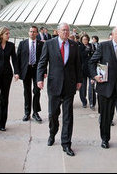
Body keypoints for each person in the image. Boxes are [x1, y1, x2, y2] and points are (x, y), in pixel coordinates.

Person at [37, 22, 82, 157]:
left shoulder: (74, 45)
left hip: (69, 85)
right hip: (54, 85)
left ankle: (66, 143)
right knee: (53, 115)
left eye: (67, 31)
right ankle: (52, 133)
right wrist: (39, 78)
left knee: (68, 116)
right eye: (63, 30)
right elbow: (42, 62)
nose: (66, 33)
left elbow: (78, 64)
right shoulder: (49, 44)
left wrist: (79, 80)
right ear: (58, 31)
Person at [89, 26, 117, 157]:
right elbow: (92, 62)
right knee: (105, 117)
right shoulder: (103, 46)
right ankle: (105, 139)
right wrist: (94, 76)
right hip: (105, 88)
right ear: (113, 35)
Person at [17, 26, 45, 122]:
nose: (32, 33)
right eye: (30, 31)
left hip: (37, 71)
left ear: (37, 33)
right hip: (26, 70)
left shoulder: (41, 44)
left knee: (37, 91)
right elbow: (18, 59)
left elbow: (44, 59)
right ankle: (27, 112)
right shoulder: (22, 44)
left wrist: (44, 72)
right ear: (28, 32)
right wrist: (17, 72)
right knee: (27, 92)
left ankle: (35, 113)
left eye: (34, 32)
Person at [79, 33, 95, 109]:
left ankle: (92, 103)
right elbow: (80, 56)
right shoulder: (79, 47)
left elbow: (95, 55)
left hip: (91, 69)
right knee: (83, 88)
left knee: (91, 87)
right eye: (83, 39)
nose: (85, 41)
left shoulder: (92, 46)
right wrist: (87, 51)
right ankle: (84, 101)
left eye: (86, 39)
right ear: (81, 40)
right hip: (82, 70)